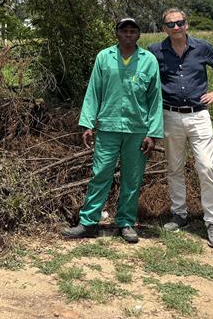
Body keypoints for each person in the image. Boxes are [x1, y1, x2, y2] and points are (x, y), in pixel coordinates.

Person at [62, 18, 163, 243]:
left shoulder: (148, 60)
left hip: (137, 129)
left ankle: (125, 223)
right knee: (100, 174)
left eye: (133, 31)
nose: (128, 34)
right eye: (124, 30)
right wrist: (88, 124)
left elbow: (155, 98)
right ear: (117, 33)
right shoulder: (104, 57)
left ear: (138, 35)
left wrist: (153, 133)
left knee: (132, 178)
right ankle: (88, 222)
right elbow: (94, 91)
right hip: (108, 127)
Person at [148, 8, 213, 248]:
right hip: (170, 115)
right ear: (164, 28)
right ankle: (179, 214)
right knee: (174, 167)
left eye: (180, 23)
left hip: (198, 115)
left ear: (186, 24)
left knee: (206, 167)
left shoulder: (202, 47)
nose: (176, 27)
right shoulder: (155, 51)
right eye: (170, 24)